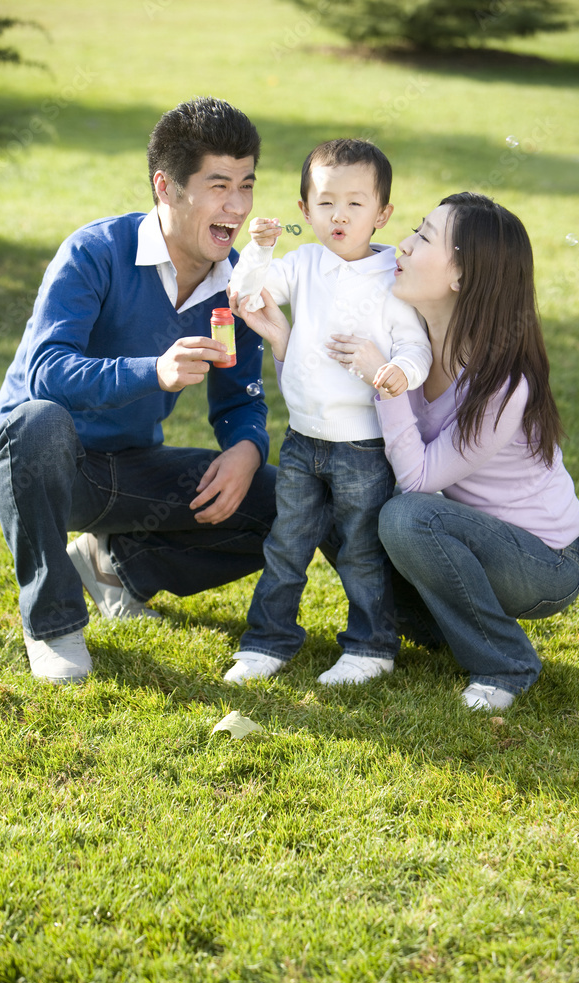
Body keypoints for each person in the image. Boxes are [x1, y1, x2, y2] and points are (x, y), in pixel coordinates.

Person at [0, 97, 277, 685]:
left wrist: (247, 447)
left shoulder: (236, 280)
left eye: (246, 185)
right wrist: (153, 371)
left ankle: (115, 565)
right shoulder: (95, 253)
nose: (238, 207)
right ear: (166, 186)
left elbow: (241, 397)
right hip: (37, 467)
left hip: (128, 470)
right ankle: (53, 625)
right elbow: (47, 372)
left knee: (283, 501)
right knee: (37, 421)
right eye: (219, 186)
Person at [325, 191, 579, 709]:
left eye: (422, 237)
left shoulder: (503, 383)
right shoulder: (410, 337)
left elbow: (420, 481)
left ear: (461, 278)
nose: (401, 244)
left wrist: (387, 382)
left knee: (407, 517)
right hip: (468, 535)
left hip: (544, 561)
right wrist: (281, 336)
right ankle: (429, 631)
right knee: (331, 495)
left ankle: (505, 662)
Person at [222, 138, 431, 685]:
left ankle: (371, 646)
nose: (339, 215)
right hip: (301, 439)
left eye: (356, 204)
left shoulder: (394, 279)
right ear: (304, 210)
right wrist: (260, 249)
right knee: (285, 546)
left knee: (362, 551)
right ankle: (268, 641)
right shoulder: (305, 262)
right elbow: (245, 295)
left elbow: (418, 350)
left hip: (362, 447)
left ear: (382, 214)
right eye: (325, 203)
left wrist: (396, 371)